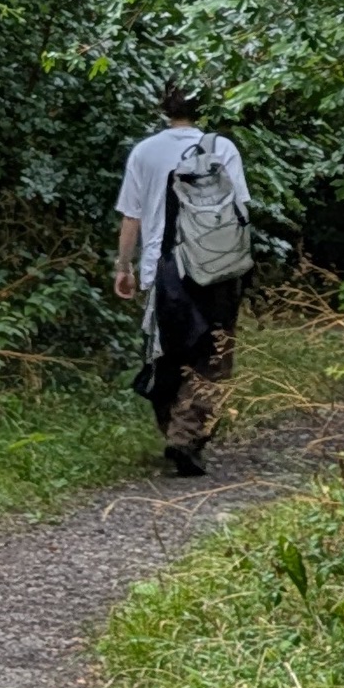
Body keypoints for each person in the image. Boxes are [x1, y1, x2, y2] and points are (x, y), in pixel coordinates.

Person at [114, 85, 250, 476]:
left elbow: (132, 217)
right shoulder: (221, 147)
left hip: (162, 269)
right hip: (215, 267)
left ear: (163, 108)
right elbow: (240, 210)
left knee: (166, 354)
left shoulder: (144, 151)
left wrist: (124, 267)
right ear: (202, 107)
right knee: (214, 355)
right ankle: (186, 437)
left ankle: (175, 430)